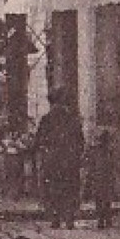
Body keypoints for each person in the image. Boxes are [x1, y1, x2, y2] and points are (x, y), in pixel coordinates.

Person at [35, 88, 85, 230]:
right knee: (70, 188)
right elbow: (80, 141)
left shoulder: (46, 119)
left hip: (52, 159)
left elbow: (39, 140)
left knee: (52, 188)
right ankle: (69, 219)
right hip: (69, 160)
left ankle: (55, 218)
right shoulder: (73, 119)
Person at [86, 130, 117, 229]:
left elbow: (92, 165)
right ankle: (105, 219)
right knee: (105, 199)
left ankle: (103, 220)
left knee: (101, 199)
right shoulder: (107, 152)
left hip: (101, 177)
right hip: (103, 177)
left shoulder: (98, 151)